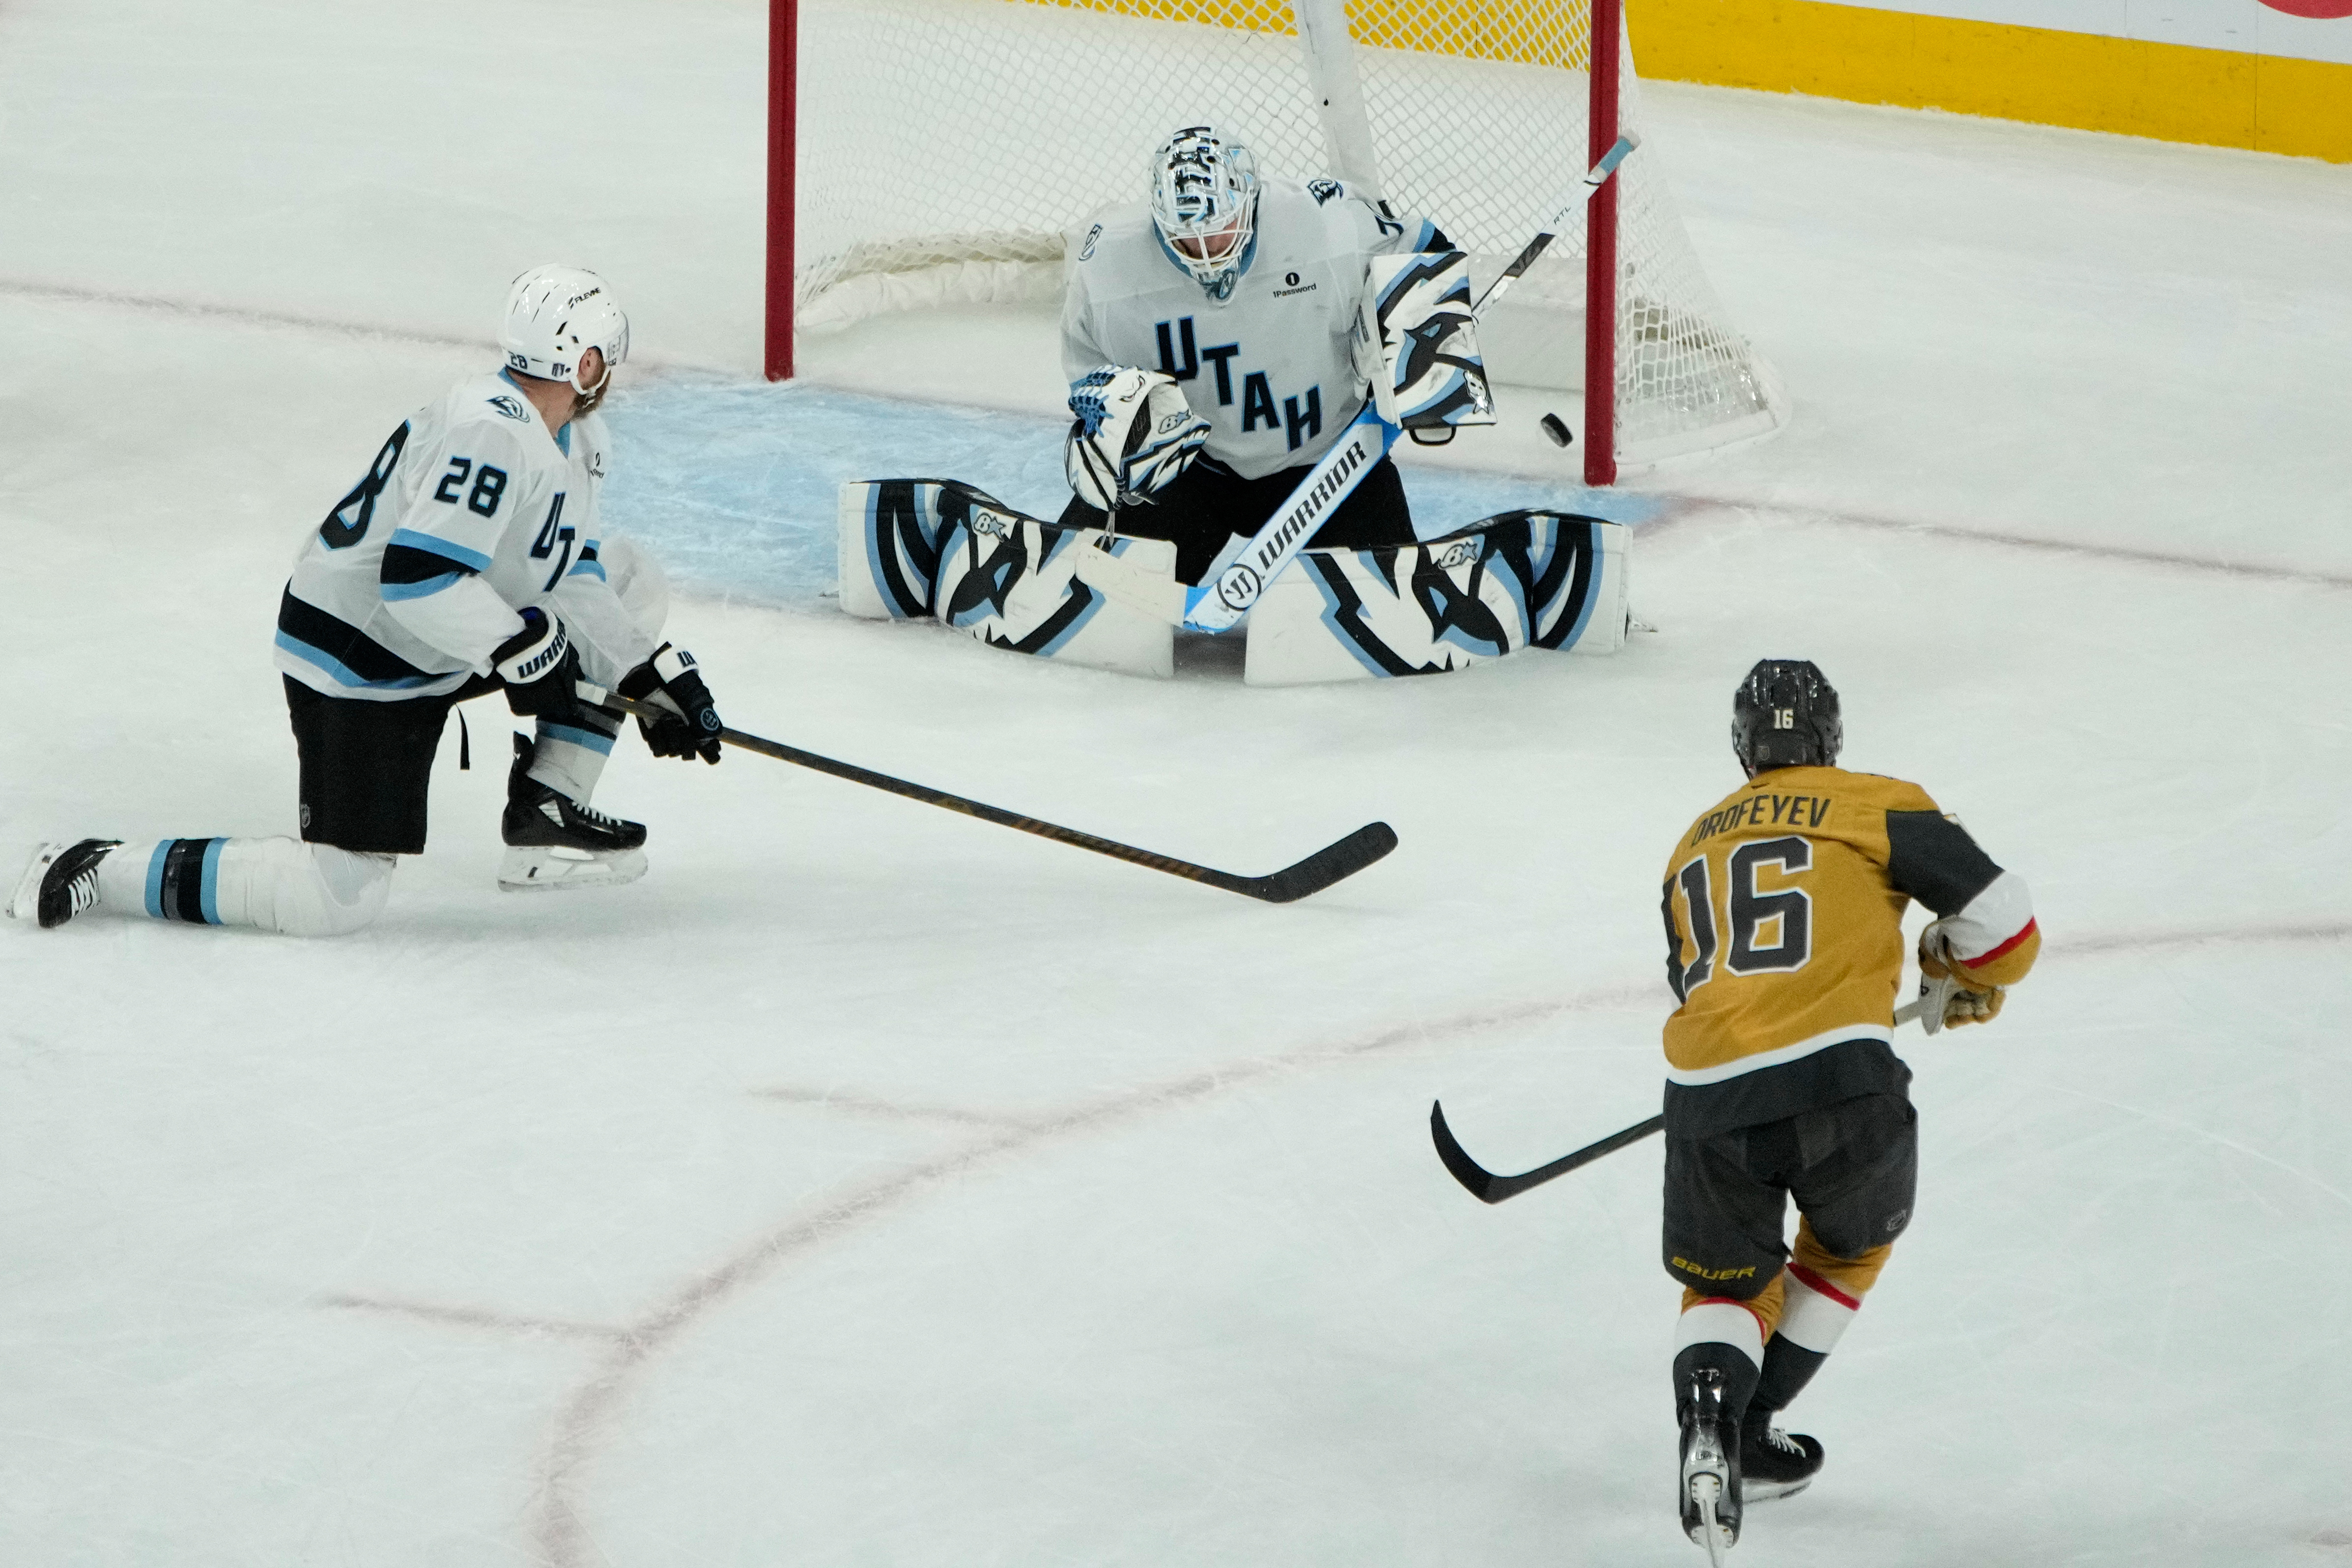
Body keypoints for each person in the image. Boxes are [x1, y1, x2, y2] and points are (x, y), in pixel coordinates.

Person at [9, 265, 724, 937]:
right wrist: (516, 648)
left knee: (630, 582)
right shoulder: (490, 430)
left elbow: (572, 571)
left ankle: (548, 808)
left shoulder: (577, 440)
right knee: (334, 898)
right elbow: (417, 578)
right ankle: (98, 868)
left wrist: (646, 673)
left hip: (443, 637)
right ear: (586, 364)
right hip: (360, 655)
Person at [1658, 659, 2040, 1558]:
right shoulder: (1875, 801)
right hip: (1845, 1086)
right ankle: (1754, 1426)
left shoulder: (1692, 840)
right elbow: (2006, 924)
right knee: (1847, 1242)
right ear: (1830, 737)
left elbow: (1696, 981)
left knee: (1722, 1284)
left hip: (1707, 1093)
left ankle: (1711, 1420)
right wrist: (1956, 971)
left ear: (1742, 747)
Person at [1057, 123, 1451, 585]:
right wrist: (1110, 427)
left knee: (1396, 607)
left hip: (1329, 466)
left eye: (1220, 228)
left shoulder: (1322, 223)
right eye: (1186, 237)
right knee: (1077, 592)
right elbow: (1090, 370)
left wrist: (1433, 365)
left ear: (1251, 200)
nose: (1205, 252)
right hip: (1188, 471)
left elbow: (1424, 250)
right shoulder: (1108, 266)